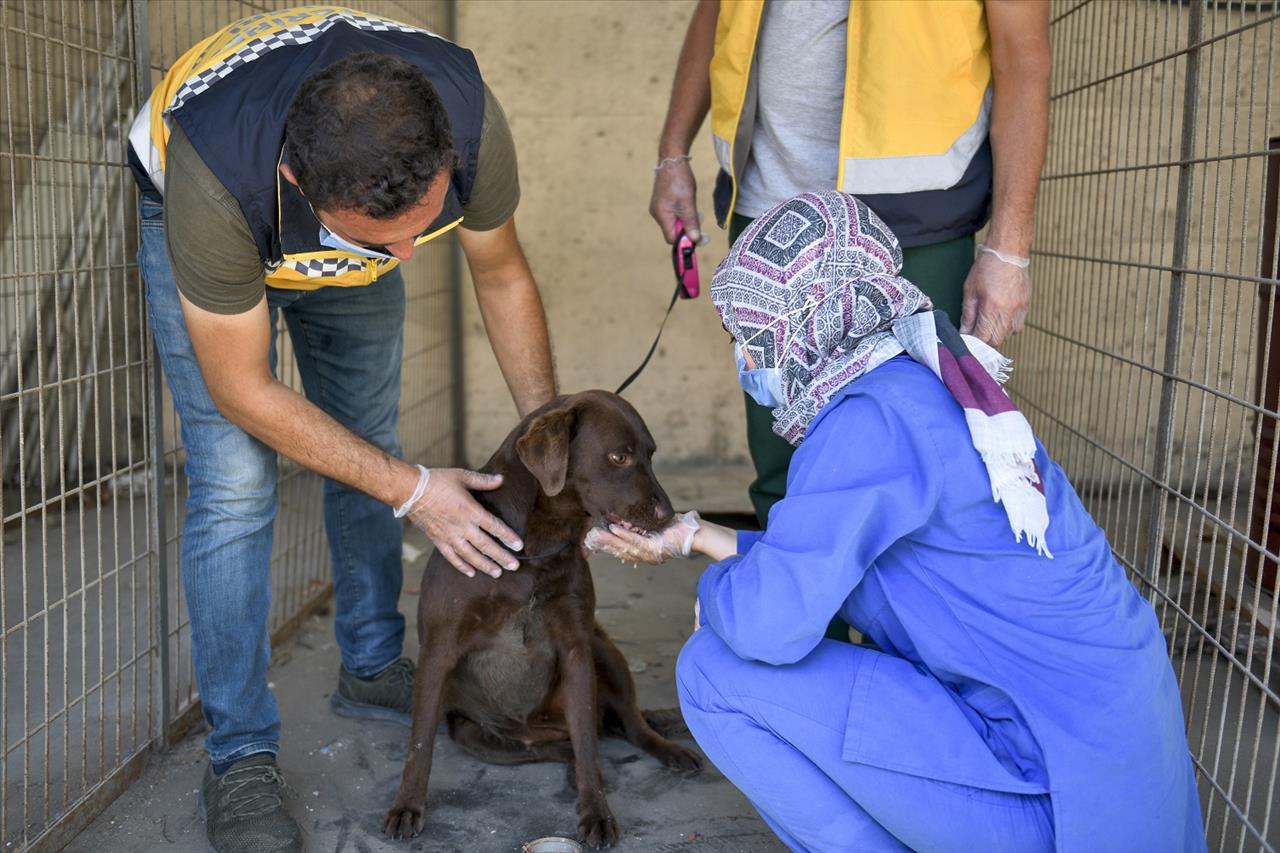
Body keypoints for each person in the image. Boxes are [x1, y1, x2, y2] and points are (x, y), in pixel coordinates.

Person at [589, 192, 1206, 853]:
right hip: (1107, 768)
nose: (743, 356)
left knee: (713, 670)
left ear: (798, 321)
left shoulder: (866, 424)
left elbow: (768, 623)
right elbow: (848, 561)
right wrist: (699, 536)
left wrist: (716, 600)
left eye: (747, 334)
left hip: (1054, 792)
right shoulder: (919, 382)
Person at [128, 8, 555, 852]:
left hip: (332, 185)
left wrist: (552, 442)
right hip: (198, 191)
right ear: (296, 181)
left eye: (420, 228)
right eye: (376, 239)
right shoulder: (219, 178)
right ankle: (240, 756)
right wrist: (416, 491)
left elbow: (501, 275)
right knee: (235, 481)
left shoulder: (466, 118)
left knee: (368, 434)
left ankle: (371, 661)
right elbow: (243, 390)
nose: (401, 260)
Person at [649, 0, 1051, 527]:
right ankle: (804, 611)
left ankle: (895, 612)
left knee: (917, 463)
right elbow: (716, 13)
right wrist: (672, 154)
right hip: (769, 215)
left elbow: (1022, 58)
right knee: (784, 468)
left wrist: (1008, 251)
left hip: (912, 221)